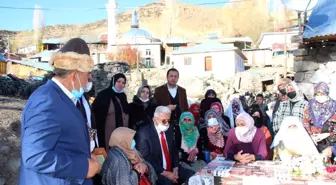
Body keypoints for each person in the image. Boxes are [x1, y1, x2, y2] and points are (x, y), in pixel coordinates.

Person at [19, 38, 101, 185]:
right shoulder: (46, 101)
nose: (89, 78)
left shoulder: (69, 99)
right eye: (87, 73)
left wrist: (87, 155)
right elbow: (35, 156)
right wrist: (83, 167)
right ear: (74, 75)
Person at [135, 106, 194, 185]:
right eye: (164, 121)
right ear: (154, 120)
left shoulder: (168, 129)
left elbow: (173, 149)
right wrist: (165, 173)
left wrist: (175, 168)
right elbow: (145, 158)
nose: (167, 124)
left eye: (168, 121)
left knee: (192, 175)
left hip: (171, 168)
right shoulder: (143, 133)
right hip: (156, 171)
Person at [92, 73, 129, 151]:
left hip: (122, 132)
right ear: (113, 82)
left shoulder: (123, 96)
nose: (120, 84)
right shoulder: (103, 95)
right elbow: (95, 113)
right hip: (108, 131)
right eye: (118, 81)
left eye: (123, 83)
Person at [154, 68, 189, 151]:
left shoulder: (182, 91)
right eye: (171, 76)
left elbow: (185, 107)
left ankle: (179, 160)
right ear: (167, 77)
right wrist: (166, 107)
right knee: (167, 144)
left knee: (179, 142)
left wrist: (186, 120)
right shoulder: (159, 90)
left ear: (178, 78)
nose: (173, 78)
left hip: (180, 122)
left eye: (175, 76)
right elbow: (154, 107)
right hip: (165, 122)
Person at [303, 82, 336, 152]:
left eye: (322, 94)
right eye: (317, 94)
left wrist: (327, 134)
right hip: (314, 140)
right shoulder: (310, 105)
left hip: (331, 141)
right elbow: (306, 122)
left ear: (326, 93)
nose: (319, 96)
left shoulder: (333, 106)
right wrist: (311, 135)